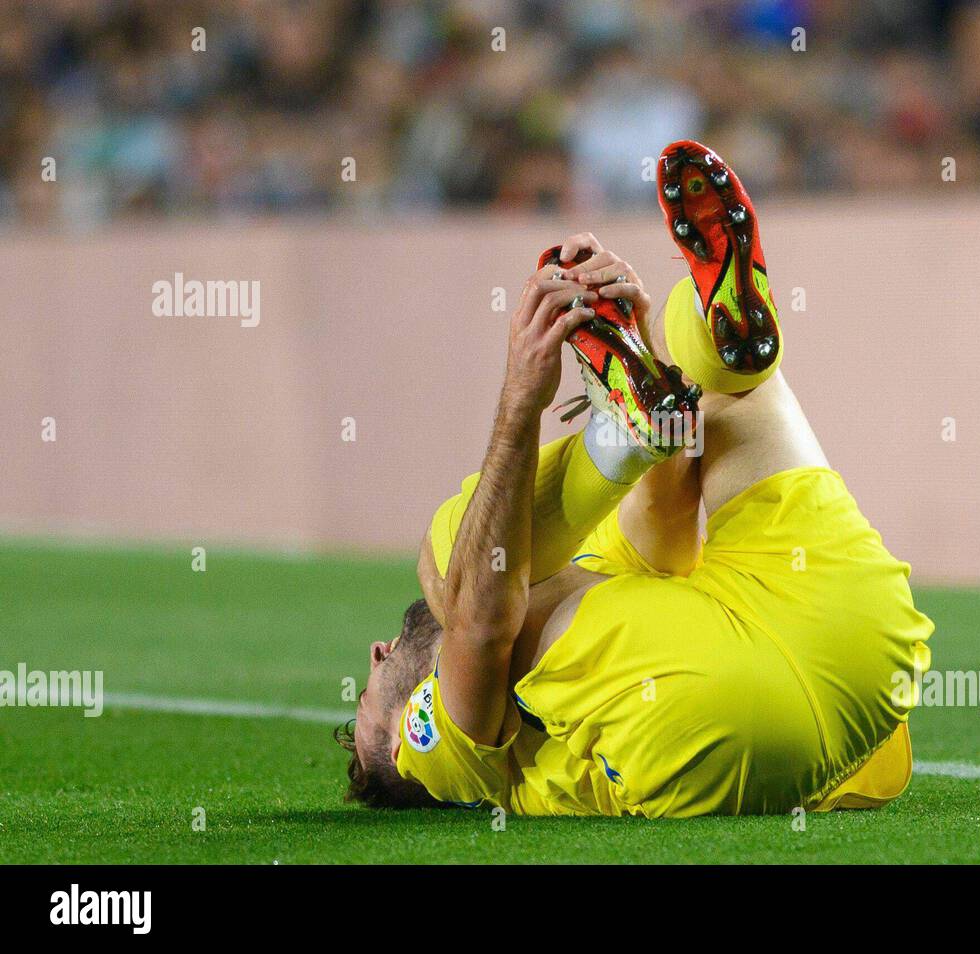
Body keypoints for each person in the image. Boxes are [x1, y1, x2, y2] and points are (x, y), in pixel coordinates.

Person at [339, 141, 934, 816]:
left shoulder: (592, 584)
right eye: (363, 704)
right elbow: (476, 628)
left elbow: (671, 507)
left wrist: (648, 343)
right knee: (452, 556)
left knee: (709, 381)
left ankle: (685, 363)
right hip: (744, 693)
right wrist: (520, 404)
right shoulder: (432, 758)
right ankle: (623, 425)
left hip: (850, 659)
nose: (378, 652)